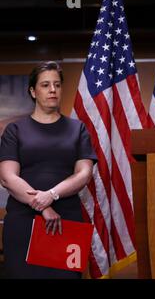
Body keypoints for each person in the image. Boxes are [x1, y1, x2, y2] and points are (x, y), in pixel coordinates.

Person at [0, 61, 97, 279]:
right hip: (24, 223)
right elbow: (7, 177)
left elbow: (84, 173)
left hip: (67, 221)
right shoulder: (14, 130)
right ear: (33, 91)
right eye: (45, 85)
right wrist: (43, 206)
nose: (52, 90)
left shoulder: (77, 129)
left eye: (57, 84)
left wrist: (51, 195)